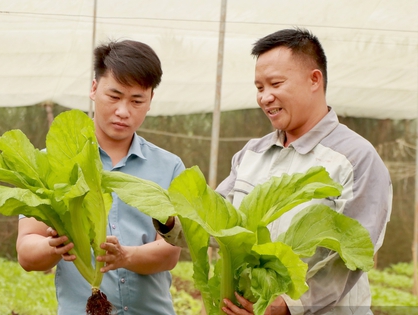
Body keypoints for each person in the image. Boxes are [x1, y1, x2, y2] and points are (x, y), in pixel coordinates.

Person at [158, 28, 393, 315]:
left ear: (314, 80)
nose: (265, 97)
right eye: (259, 88)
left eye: (275, 84)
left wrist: (288, 305)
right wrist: (168, 217)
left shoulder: (356, 158)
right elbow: (214, 221)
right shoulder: (251, 154)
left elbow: (353, 255)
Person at [16, 39, 184, 315]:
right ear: (94, 89)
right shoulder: (52, 162)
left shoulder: (168, 167)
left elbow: (170, 252)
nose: (123, 111)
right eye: (114, 96)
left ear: (151, 100)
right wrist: (52, 246)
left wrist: (126, 257)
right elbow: (26, 252)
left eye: (136, 100)